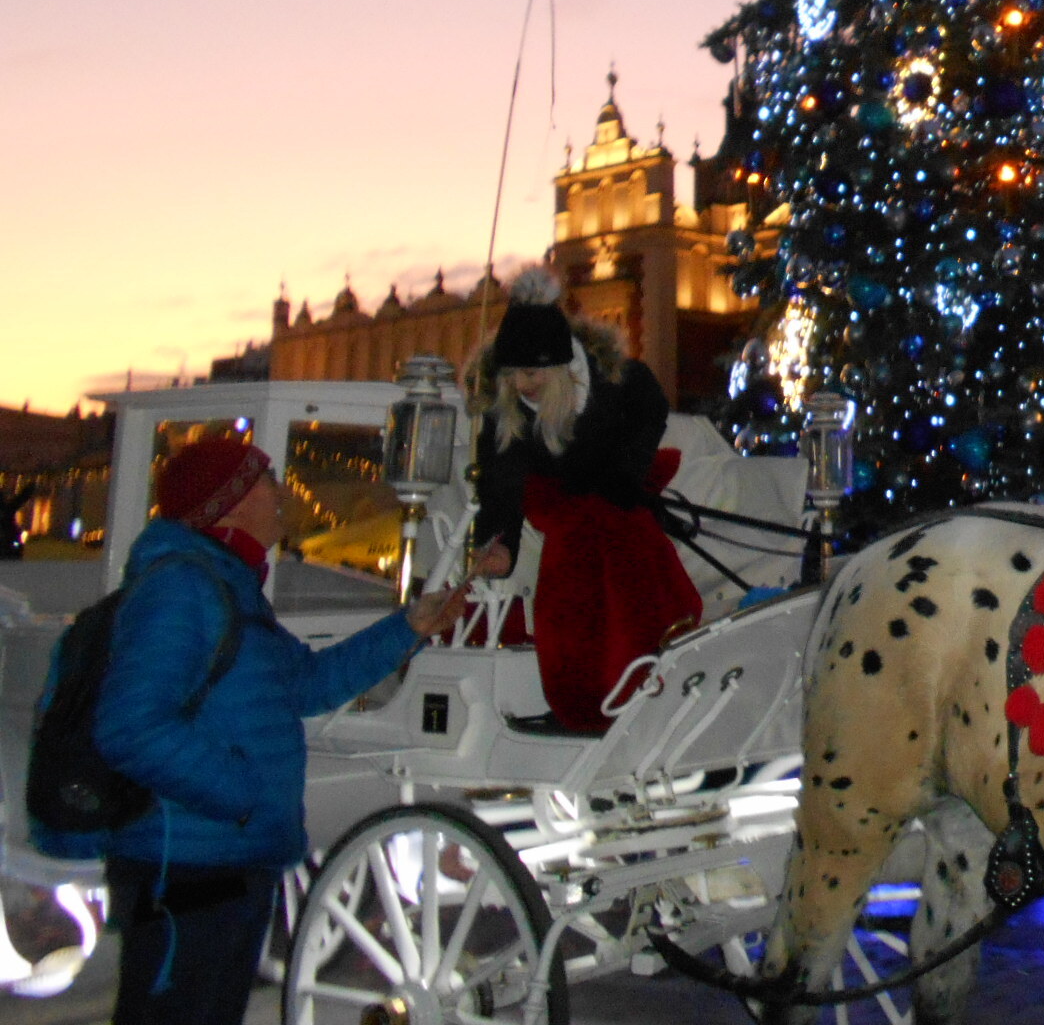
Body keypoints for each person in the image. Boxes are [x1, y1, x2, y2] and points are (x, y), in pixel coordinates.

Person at [51, 436, 466, 1025]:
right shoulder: (182, 589)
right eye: (268, 482)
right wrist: (241, 795)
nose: (282, 495)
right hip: (188, 871)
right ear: (231, 502)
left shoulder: (230, 588)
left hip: (229, 862)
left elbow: (307, 684)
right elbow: (129, 726)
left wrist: (409, 627)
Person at [468, 268, 701, 733]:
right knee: (569, 596)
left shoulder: (614, 381)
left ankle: (643, 686)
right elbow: (501, 481)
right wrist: (500, 542)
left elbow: (650, 408)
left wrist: (627, 471)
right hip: (563, 509)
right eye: (512, 375)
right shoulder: (506, 410)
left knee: (629, 580)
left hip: (617, 497)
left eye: (531, 373)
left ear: (559, 366)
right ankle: (581, 703)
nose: (522, 385)